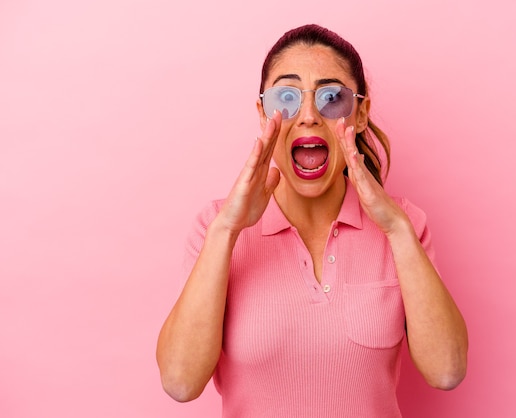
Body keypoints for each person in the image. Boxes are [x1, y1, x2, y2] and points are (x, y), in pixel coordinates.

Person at [156, 24, 468, 417]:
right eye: (286, 97)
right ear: (263, 112)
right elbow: (180, 382)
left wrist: (396, 229)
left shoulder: (404, 224)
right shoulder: (214, 226)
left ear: (360, 113)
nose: (307, 116)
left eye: (331, 97)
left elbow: (447, 371)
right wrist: (227, 231)